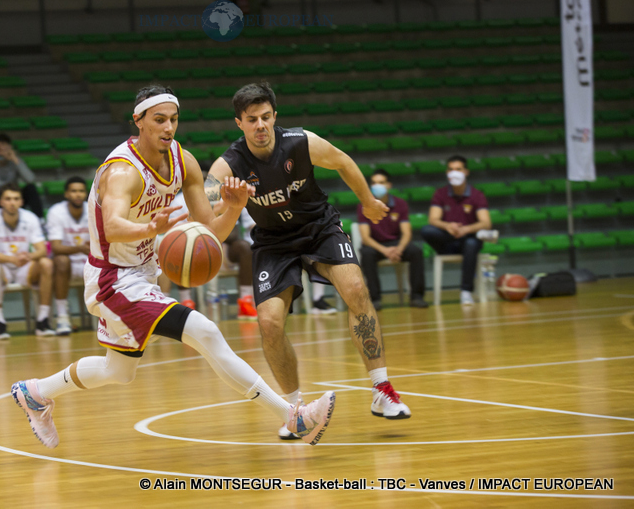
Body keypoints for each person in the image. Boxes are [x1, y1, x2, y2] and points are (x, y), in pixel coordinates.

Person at [11, 85, 336, 448]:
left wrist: (233, 206)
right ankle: (294, 418)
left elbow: (210, 232)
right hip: (113, 279)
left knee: (117, 371)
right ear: (139, 121)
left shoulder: (184, 161)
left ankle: (35, 392)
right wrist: (150, 228)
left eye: (174, 120)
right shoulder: (122, 171)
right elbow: (112, 226)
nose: (168, 128)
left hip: (143, 274)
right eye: (159, 120)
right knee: (206, 331)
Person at [205, 82, 411, 441]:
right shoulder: (227, 167)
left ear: (275, 117)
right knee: (269, 323)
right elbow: (208, 220)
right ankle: (295, 411)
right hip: (273, 241)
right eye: (252, 119)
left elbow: (343, 162)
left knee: (356, 289)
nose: (260, 125)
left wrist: (366, 200)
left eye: (266, 117)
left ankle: (382, 389)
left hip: (319, 228)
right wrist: (230, 207)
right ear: (239, 123)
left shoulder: (301, 142)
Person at [420, 155, 496, 305]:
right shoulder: (440, 193)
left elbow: (486, 222)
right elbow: (433, 219)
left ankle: (466, 291)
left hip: (468, 241)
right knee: (427, 230)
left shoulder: (477, 195)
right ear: (447, 173)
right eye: (451, 169)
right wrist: (448, 226)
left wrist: (466, 229)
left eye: (458, 169)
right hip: (447, 242)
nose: (454, 172)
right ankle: (456, 234)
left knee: (472, 243)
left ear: (466, 172)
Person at [0, 183, 55, 338]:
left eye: (16, 199)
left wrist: (28, 256)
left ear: (21, 202)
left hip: (24, 266)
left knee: (46, 263)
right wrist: (12, 259)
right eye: (8, 199)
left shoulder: (30, 218)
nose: (12, 202)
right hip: (4, 267)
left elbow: (42, 250)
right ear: (0, 202)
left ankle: (43, 320)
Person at [358, 169, 428, 311]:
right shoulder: (364, 205)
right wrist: (385, 250)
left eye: (381, 182)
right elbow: (365, 237)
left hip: (396, 244)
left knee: (416, 252)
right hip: (375, 245)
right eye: (374, 183)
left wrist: (398, 249)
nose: (377, 186)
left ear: (389, 185)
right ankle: (375, 299)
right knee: (366, 255)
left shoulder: (400, 204)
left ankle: (416, 296)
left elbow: (406, 233)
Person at [46, 176, 90, 336]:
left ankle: (110, 317)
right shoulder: (56, 212)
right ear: (66, 194)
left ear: (86, 194)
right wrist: (80, 248)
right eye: (73, 191)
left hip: (89, 261)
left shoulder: (93, 209)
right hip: (67, 263)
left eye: (81, 191)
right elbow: (56, 248)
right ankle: (62, 316)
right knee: (61, 261)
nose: (77, 194)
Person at [0, 133, 44, 218]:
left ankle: (40, 219)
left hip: (14, 197)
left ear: (9, 147)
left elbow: (30, 179)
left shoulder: (16, 161)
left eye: (2, 144)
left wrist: (15, 160)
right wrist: (5, 185)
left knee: (31, 188)